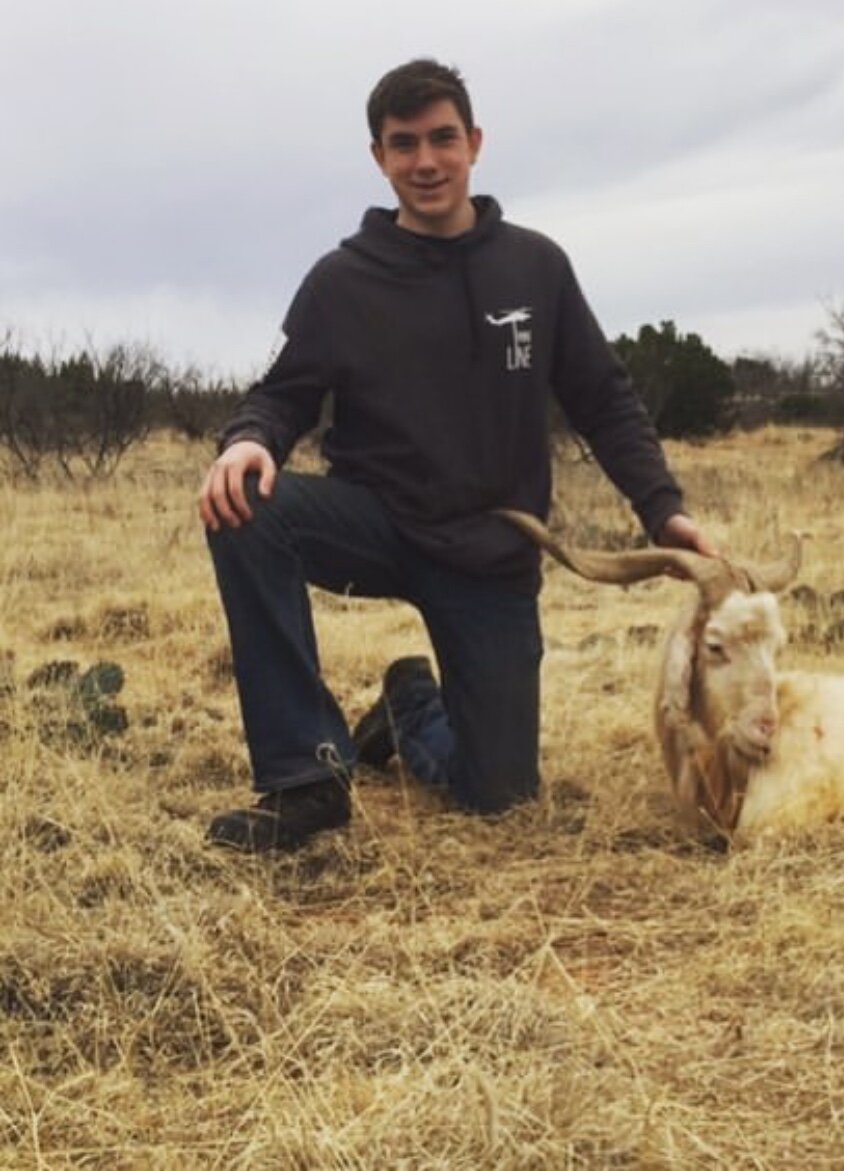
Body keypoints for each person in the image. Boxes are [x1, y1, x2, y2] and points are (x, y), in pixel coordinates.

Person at [198, 58, 714, 852]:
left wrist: (664, 509)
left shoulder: (536, 267)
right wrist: (247, 442)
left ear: (475, 143)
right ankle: (306, 776)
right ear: (379, 157)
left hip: (492, 553)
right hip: (378, 522)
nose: (426, 161)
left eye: (443, 138)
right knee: (245, 509)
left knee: (499, 796)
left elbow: (604, 399)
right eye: (404, 144)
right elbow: (282, 391)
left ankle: (408, 708)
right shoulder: (341, 281)